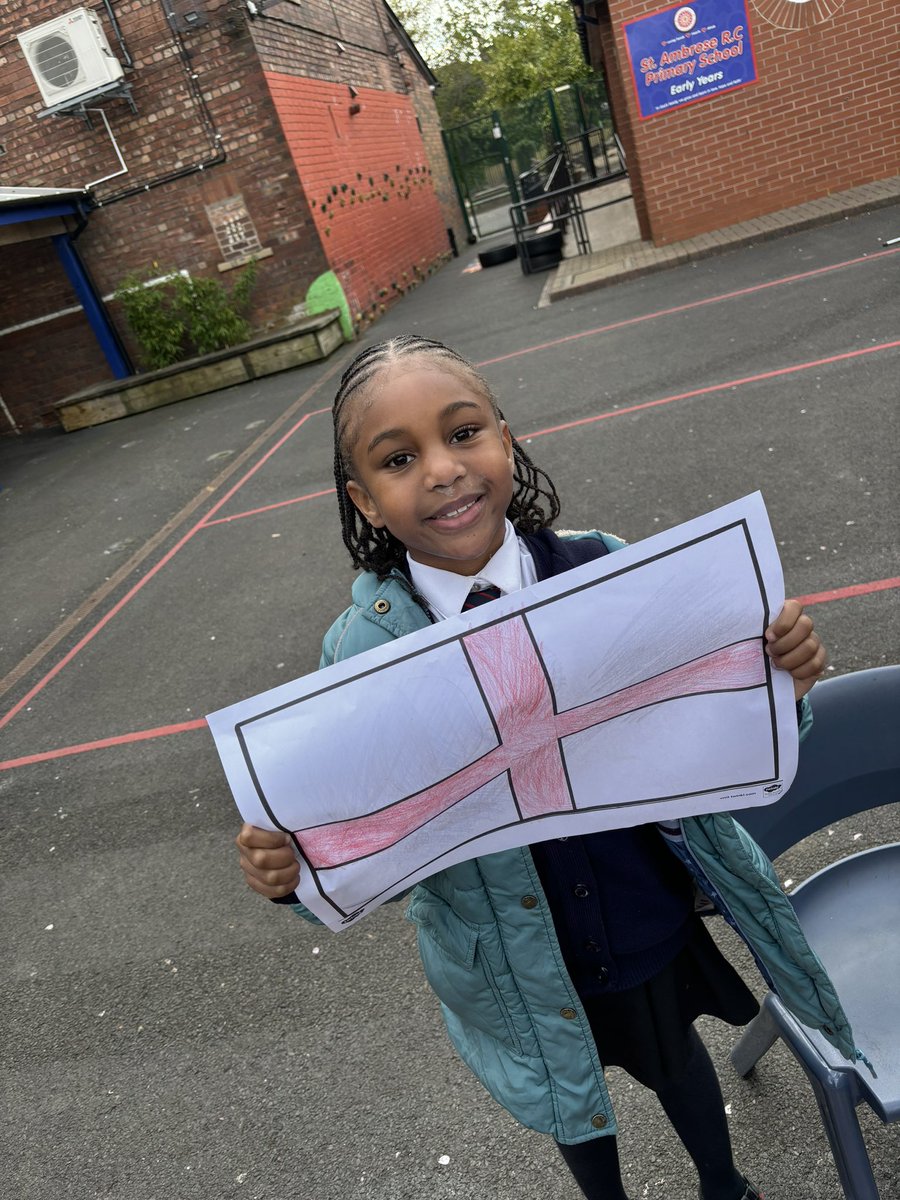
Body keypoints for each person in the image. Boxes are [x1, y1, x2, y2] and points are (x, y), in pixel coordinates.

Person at [236, 335, 853, 1200]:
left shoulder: (608, 569)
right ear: (365, 501)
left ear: (506, 438)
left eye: (463, 433)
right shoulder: (357, 659)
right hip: (513, 950)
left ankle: (726, 1183)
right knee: (572, 1104)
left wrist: (778, 684)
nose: (444, 470)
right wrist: (291, 873)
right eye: (400, 458)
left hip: (644, 906)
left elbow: (718, 732)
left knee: (675, 1058)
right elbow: (349, 836)